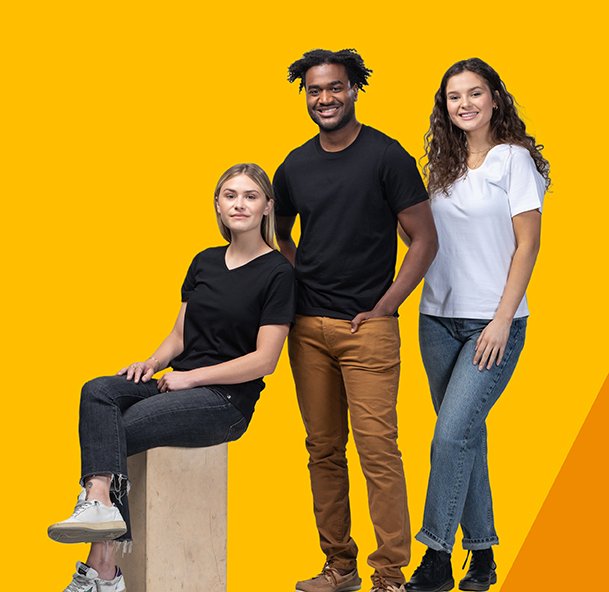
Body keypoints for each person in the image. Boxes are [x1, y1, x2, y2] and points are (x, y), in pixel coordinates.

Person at [48, 163, 296, 592]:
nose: (239, 204)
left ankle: (101, 565)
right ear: (217, 206)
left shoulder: (278, 273)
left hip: (224, 401)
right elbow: (181, 333)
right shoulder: (204, 262)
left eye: (250, 196)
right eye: (230, 195)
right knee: (98, 391)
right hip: (178, 380)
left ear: (267, 207)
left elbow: (265, 360)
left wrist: (193, 378)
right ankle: (99, 509)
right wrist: (152, 362)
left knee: (116, 431)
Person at [274, 49, 438, 592]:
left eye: (335, 88)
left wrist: (388, 304)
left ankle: (389, 574)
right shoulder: (295, 165)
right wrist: (300, 280)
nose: (325, 99)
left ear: (353, 90)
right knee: (322, 450)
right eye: (315, 91)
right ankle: (338, 566)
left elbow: (424, 239)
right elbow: (281, 233)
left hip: (367, 329)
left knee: (378, 452)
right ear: (306, 95)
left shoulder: (386, 156)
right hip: (307, 330)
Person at [405, 58, 550, 592]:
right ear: (444, 107)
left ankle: (437, 556)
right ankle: (483, 553)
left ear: (494, 99)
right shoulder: (440, 168)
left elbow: (528, 244)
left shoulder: (513, 160)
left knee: (449, 435)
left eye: (474, 93)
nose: (464, 104)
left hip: (493, 324)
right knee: (466, 436)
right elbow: (426, 240)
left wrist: (501, 320)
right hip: (436, 320)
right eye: (453, 97)